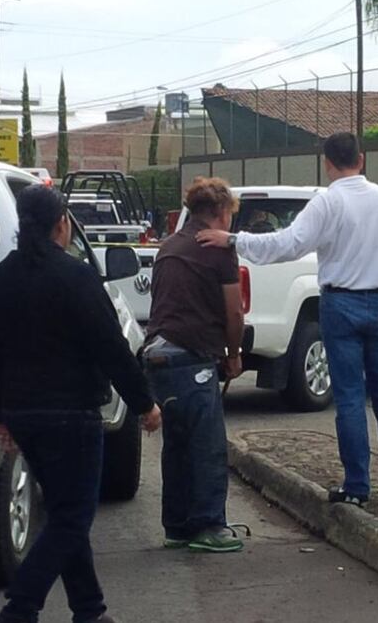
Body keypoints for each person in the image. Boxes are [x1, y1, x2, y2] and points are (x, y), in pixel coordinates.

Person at [0, 184, 162, 623]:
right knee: (72, 519)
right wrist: (144, 403)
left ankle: (90, 610)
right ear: (62, 224)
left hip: (23, 415)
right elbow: (110, 347)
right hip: (72, 416)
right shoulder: (77, 277)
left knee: (64, 511)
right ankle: (19, 608)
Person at [199, 132, 378, 508]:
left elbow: (286, 244)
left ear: (327, 163)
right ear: (360, 159)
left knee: (348, 398)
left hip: (341, 304)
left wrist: (233, 240)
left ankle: (358, 486)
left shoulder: (327, 202)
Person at [143, 177, 248, 553]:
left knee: (177, 445)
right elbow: (234, 310)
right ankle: (208, 524)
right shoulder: (218, 250)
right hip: (193, 357)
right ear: (221, 213)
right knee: (206, 445)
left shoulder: (168, 246)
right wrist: (233, 354)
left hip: (158, 354)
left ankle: (177, 525)